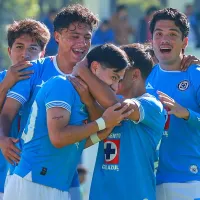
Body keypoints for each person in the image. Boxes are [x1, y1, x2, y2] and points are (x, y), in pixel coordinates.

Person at [3, 43, 131, 200]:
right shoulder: (62, 85)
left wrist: (98, 134)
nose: (115, 87)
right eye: (114, 77)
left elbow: (74, 144)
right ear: (95, 67)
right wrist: (102, 123)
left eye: (119, 81)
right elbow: (58, 138)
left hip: (58, 186)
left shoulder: (86, 97)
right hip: (33, 182)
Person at [0, 4, 98, 199]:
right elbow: (7, 114)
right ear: (57, 37)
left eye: (86, 37)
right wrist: (2, 139)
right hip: (27, 172)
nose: (81, 43)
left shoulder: (93, 77)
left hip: (66, 175)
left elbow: (100, 122)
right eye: (74, 36)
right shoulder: (32, 70)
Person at [70, 44, 165, 199]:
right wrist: (89, 102)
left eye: (120, 72)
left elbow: (118, 108)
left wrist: (83, 71)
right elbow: (100, 122)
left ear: (135, 75)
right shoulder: (105, 104)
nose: (115, 79)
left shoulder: (151, 105)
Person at [146, 8, 200, 199]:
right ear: (151, 40)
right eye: (158, 34)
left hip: (190, 179)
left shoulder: (196, 74)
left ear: (184, 42)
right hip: (151, 181)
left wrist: (186, 114)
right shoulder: (144, 77)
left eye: (172, 34)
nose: (164, 40)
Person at [0, 19, 50, 200]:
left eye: (33, 49)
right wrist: (6, 84)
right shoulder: (1, 79)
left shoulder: (50, 84)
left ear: (43, 53)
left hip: (36, 174)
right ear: (9, 51)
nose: (25, 54)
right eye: (19, 47)